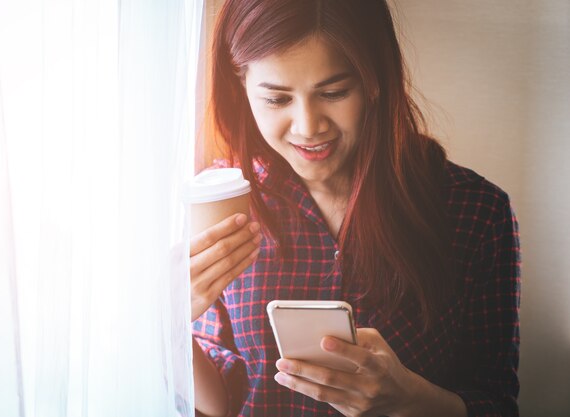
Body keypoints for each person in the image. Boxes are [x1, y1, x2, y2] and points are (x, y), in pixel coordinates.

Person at [189, 0, 521, 416]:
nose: (308, 127)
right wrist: (164, 322)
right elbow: (221, 402)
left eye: (333, 93)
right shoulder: (222, 203)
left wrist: (409, 399)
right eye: (276, 99)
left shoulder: (475, 211)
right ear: (241, 85)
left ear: (375, 80)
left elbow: (497, 404)